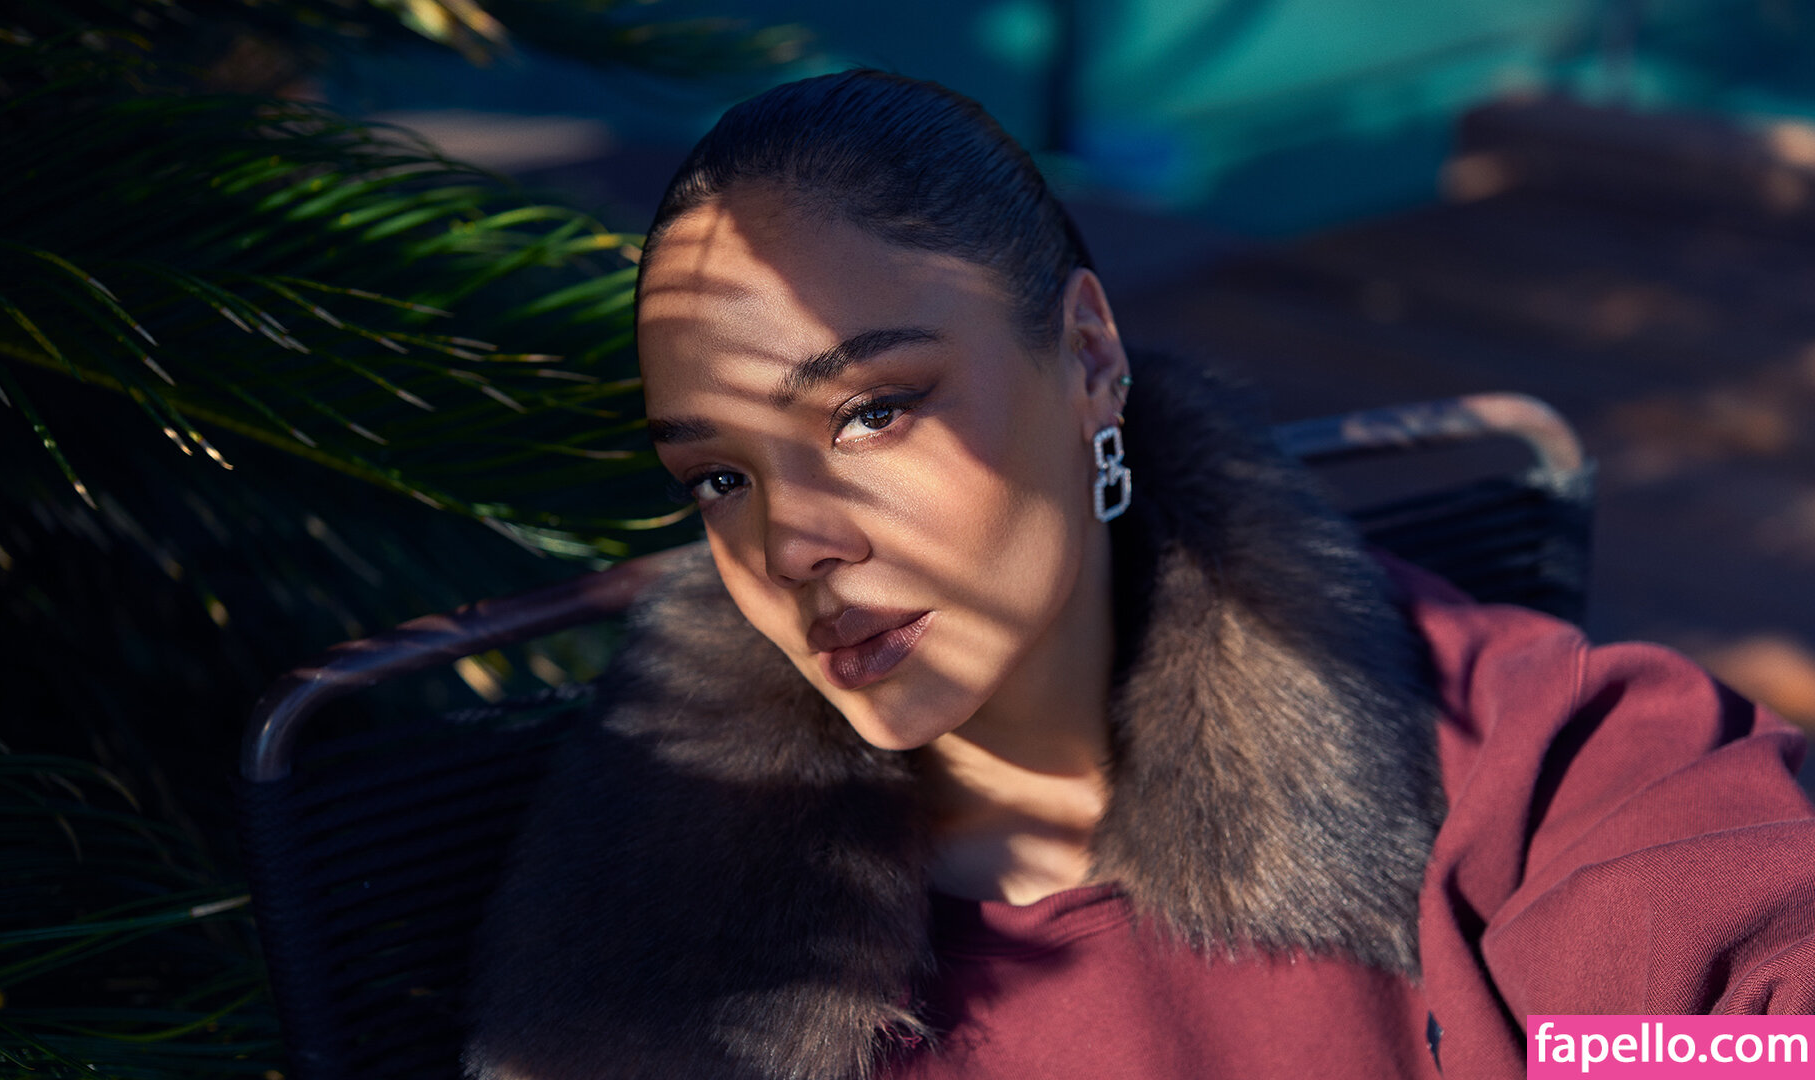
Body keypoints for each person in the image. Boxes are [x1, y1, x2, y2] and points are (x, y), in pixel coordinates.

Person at [464, 70, 1815, 1080]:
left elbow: (1732, 1005)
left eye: (872, 412)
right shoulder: (643, 977)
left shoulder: (1488, 745)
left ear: (1091, 358)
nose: (791, 543)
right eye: (719, 477)